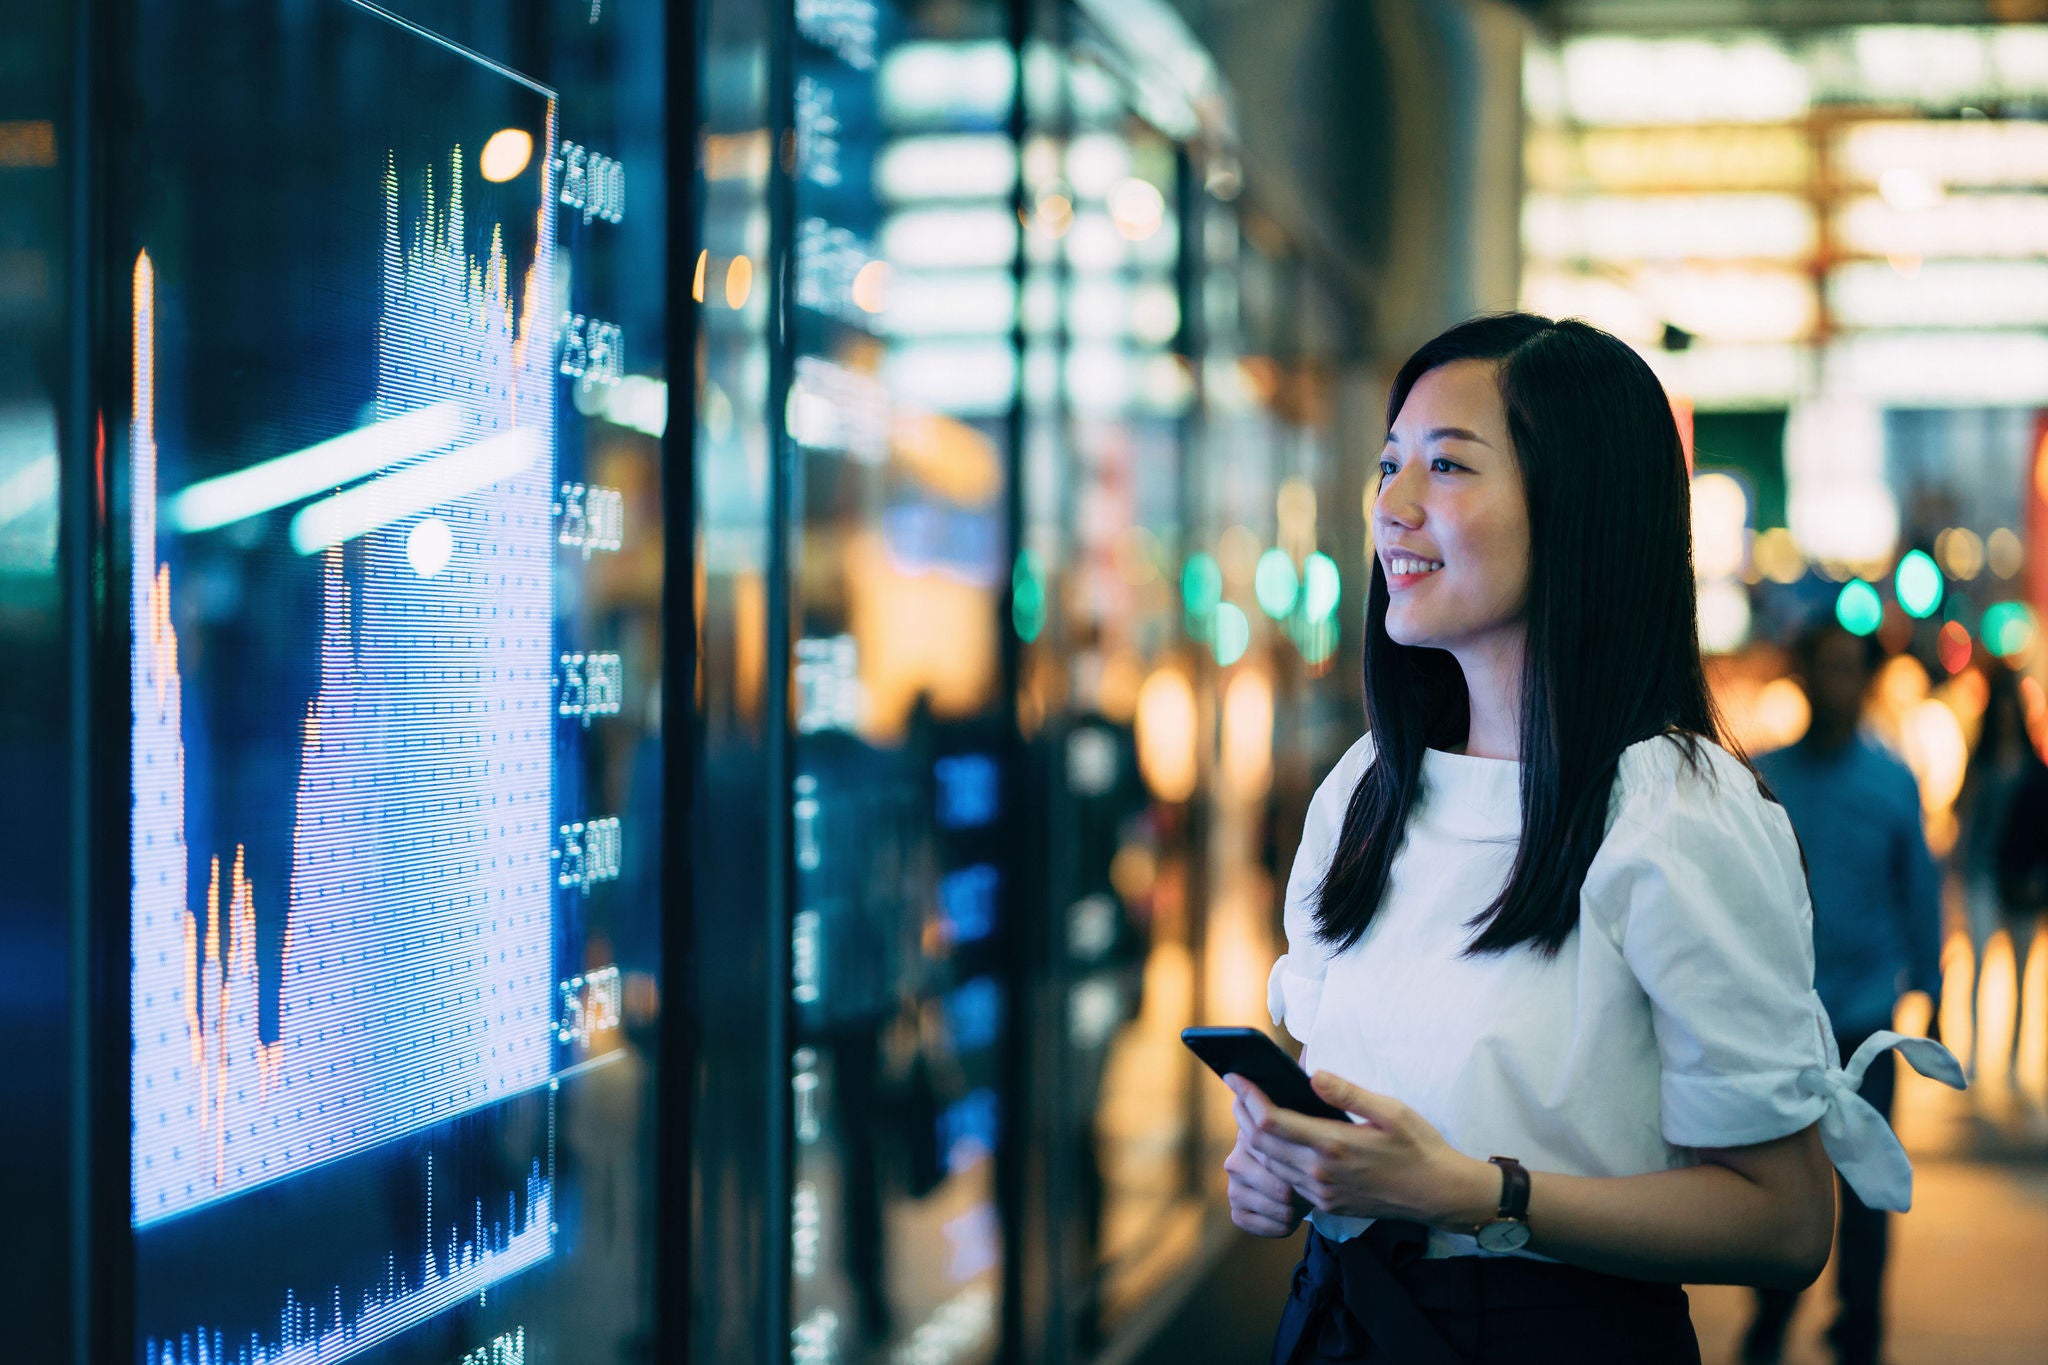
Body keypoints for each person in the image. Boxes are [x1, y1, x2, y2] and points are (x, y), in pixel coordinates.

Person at [1221, 312, 1965, 1365]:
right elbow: (1345, 1101)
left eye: (1444, 465)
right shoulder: (1365, 788)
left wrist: (1479, 1194)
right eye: (1388, 465)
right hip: (1339, 1324)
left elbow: (1786, 1221)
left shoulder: (1672, 811)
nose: (1389, 509)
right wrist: (1283, 1174)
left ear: (1577, 509)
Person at [1739, 621, 1943, 1365]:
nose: (1838, 683)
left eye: (1850, 669)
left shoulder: (1892, 781)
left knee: (1865, 1195)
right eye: (1825, 668)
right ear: (1803, 675)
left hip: (1862, 1023)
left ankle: (1859, 1334)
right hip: (1785, 1025)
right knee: (1774, 1185)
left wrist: (1933, 986)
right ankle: (1770, 1318)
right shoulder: (1765, 777)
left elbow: (1919, 891)